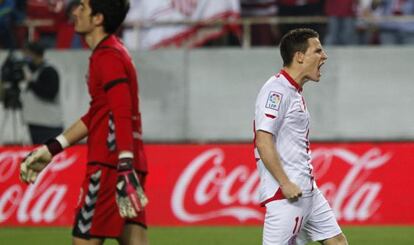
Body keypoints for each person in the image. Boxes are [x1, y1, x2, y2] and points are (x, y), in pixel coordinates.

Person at [19, 0, 149, 244]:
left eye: (82, 7)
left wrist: (123, 163)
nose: (75, 11)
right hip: (125, 163)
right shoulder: (114, 51)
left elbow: (122, 109)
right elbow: (98, 113)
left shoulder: (107, 56)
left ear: (98, 18)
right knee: (135, 239)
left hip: (110, 166)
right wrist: (53, 147)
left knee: (84, 240)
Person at [253, 28, 348, 245]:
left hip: (307, 191)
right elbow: (263, 140)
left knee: (337, 242)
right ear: (299, 56)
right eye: (318, 51)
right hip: (287, 195)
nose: (324, 56)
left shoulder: (293, 91)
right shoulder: (276, 91)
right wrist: (285, 183)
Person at [21, 41, 63, 144]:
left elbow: (50, 94)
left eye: (27, 54)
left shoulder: (49, 71)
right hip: (35, 122)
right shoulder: (30, 71)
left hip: (49, 125)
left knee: (50, 156)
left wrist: (31, 83)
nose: (24, 57)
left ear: (34, 54)